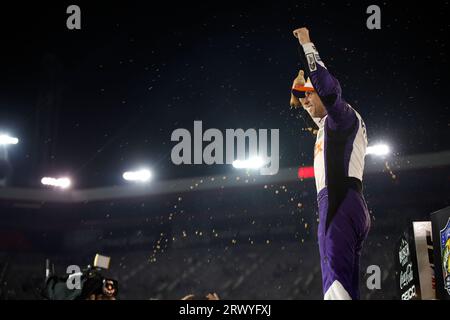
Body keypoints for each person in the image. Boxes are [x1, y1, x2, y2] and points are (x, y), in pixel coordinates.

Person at [290, 27, 371, 300]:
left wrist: (306, 45)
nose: (306, 101)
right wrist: (298, 87)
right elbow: (310, 101)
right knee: (347, 287)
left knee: (335, 284)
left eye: (310, 95)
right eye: (304, 97)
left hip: (338, 200)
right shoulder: (329, 124)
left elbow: (328, 88)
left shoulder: (341, 117)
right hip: (347, 201)